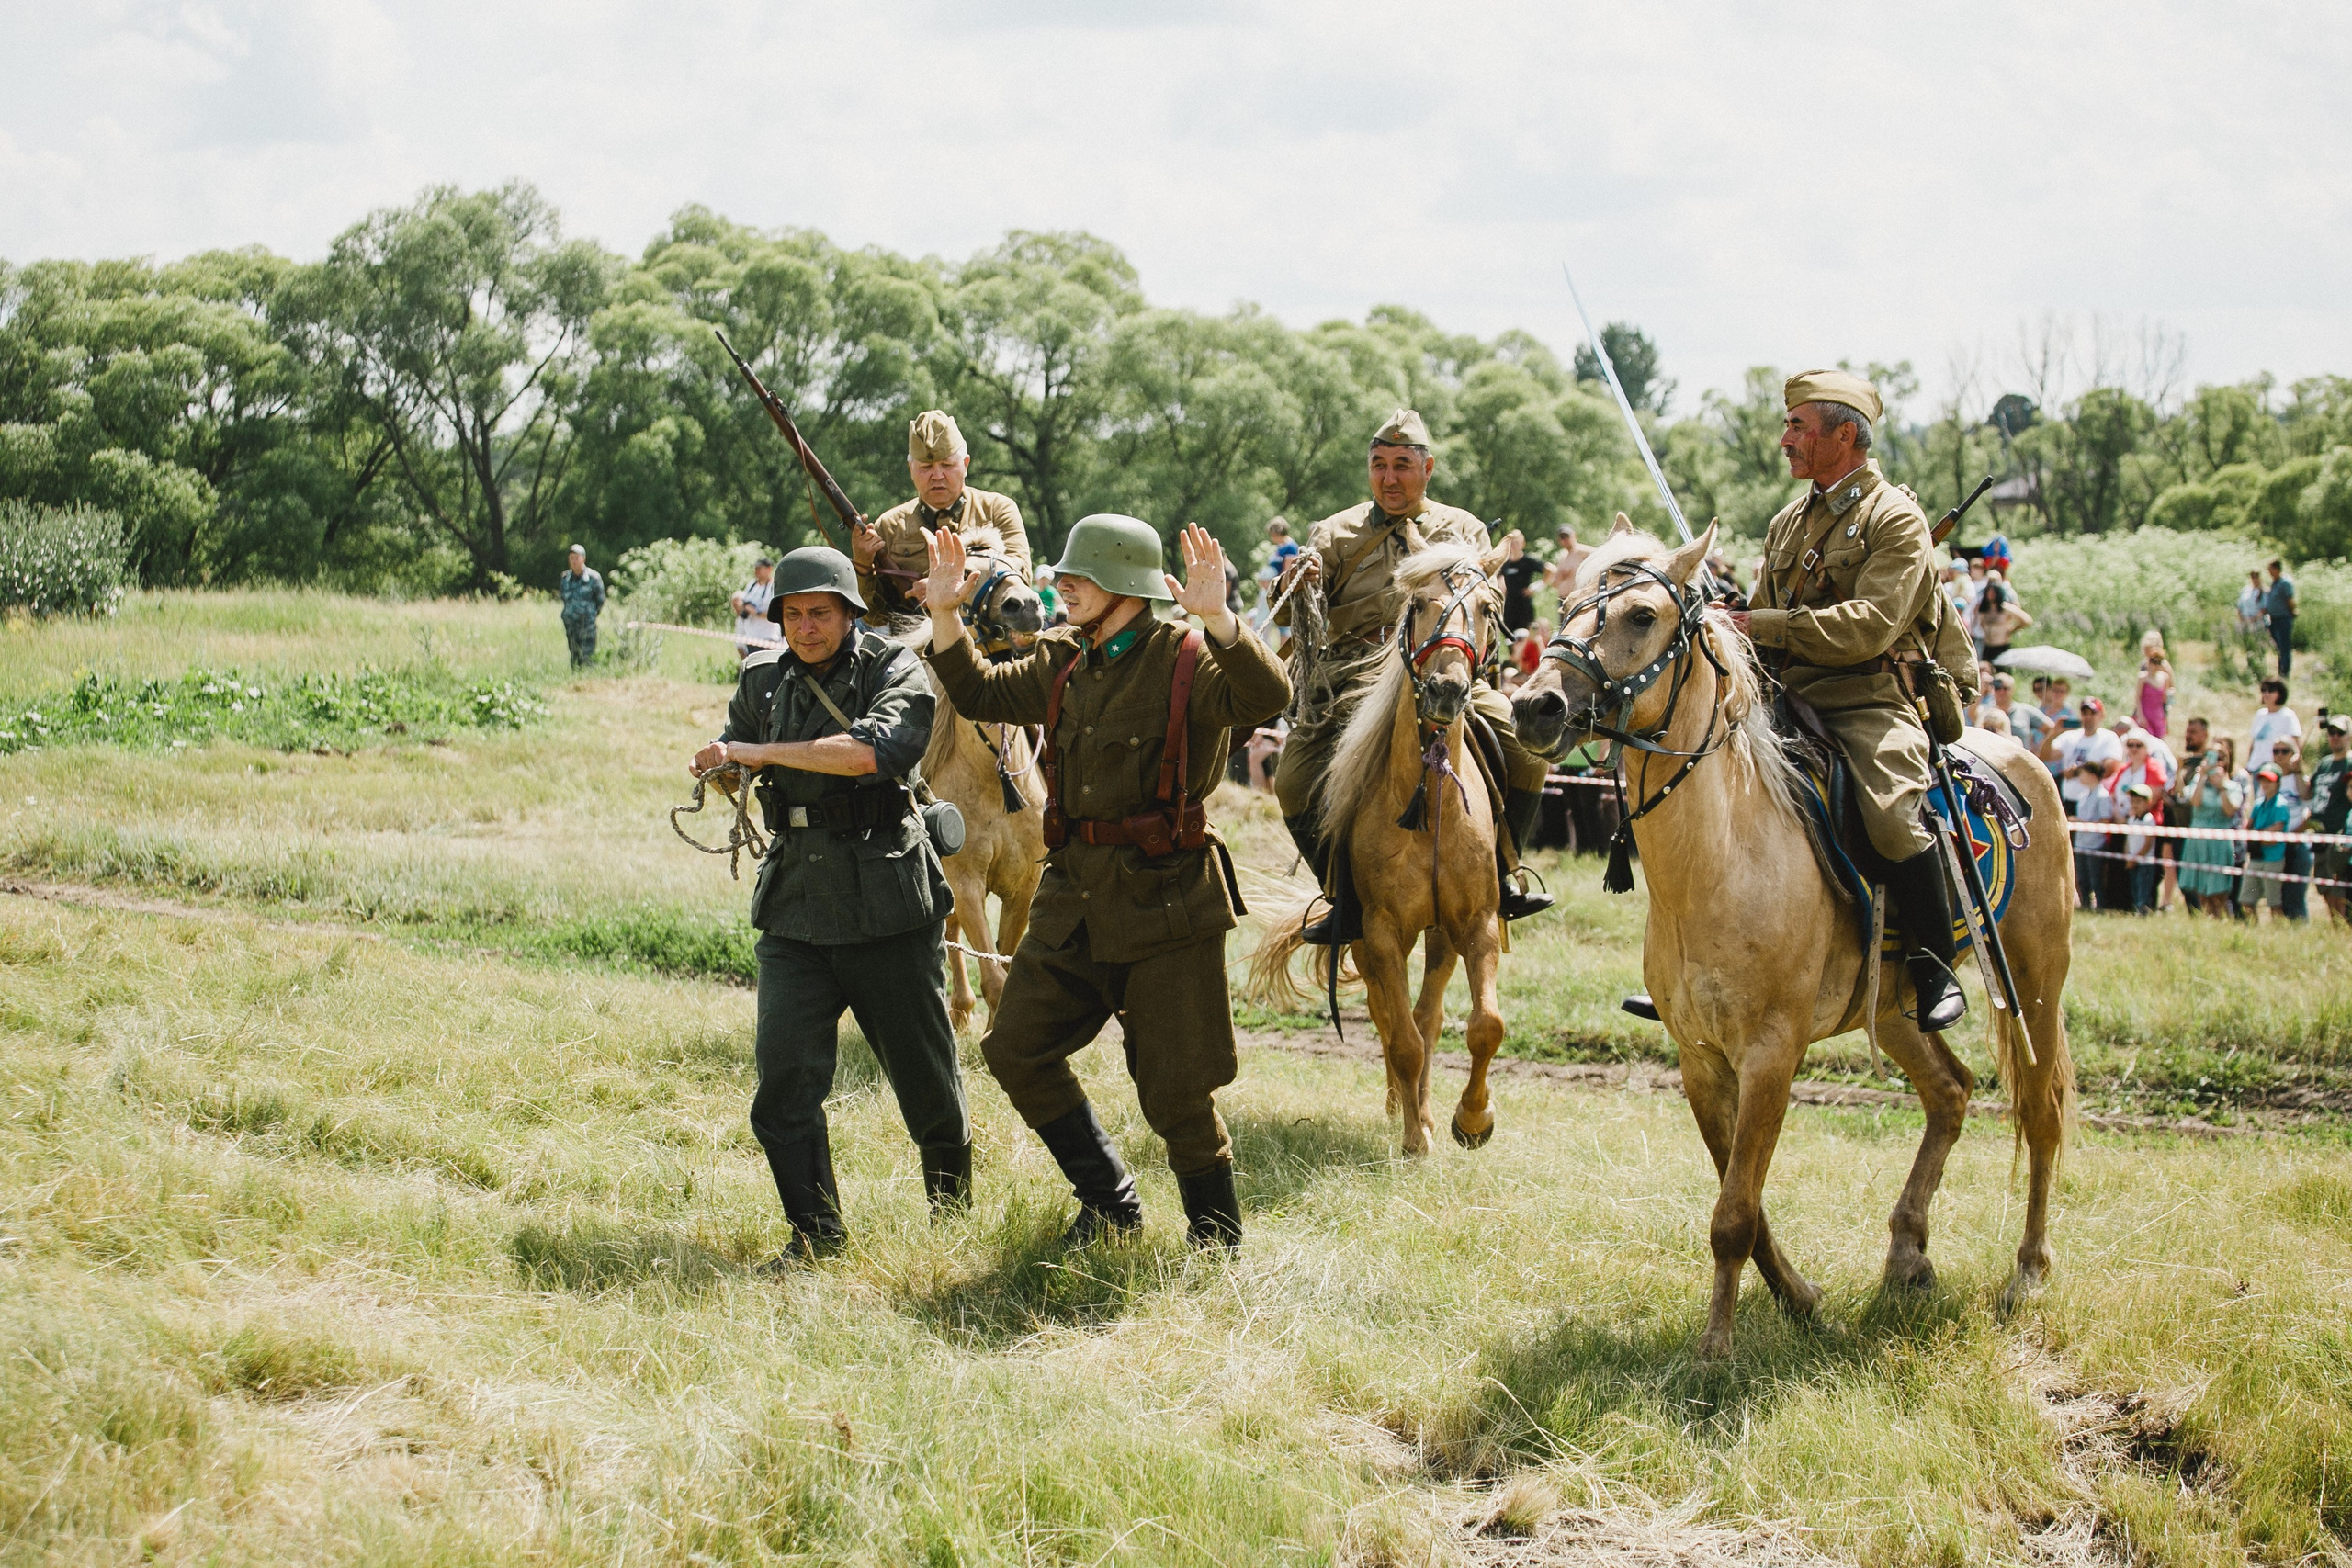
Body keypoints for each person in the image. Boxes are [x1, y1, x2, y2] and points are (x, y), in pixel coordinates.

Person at [922, 516, 1289, 1250]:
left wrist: (1219, 619)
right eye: (1064, 574)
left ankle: (1216, 1239)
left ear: (1124, 583)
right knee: (1015, 1047)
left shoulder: (1185, 657)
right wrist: (943, 615)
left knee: (1176, 1090)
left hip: (1167, 900)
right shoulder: (1062, 656)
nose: (1062, 586)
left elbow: (1267, 698)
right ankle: (1110, 1202)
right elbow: (980, 691)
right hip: (1075, 894)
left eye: (1078, 576)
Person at [690, 547, 967, 1263]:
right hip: (797, 905)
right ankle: (816, 1236)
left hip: (886, 902)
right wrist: (724, 768)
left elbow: (875, 752)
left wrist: (761, 752)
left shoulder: (893, 668)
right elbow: (747, 771)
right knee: (782, 1085)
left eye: (820, 612)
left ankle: (954, 1222)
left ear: (850, 612)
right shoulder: (762, 681)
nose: (805, 626)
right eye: (791, 613)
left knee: (927, 1083)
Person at [1729, 368, 1975, 1030]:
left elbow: (1871, 624)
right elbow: (1761, 617)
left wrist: (1767, 626)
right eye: (1787, 425)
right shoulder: (1787, 521)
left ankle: (1933, 962)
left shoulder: (1895, 518)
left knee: (1894, 817)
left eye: (1798, 427)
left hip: (1866, 696)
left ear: (1846, 435)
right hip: (1784, 692)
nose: (1785, 439)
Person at [1271, 409, 1554, 942]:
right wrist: (1295, 582)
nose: (1389, 477)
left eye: (1403, 464)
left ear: (1428, 469)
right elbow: (1288, 614)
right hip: (1353, 679)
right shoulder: (1334, 532)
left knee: (1523, 749)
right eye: (1379, 465)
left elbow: (1485, 600)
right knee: (1291, 782)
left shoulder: (1462, 528)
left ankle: (1503, 871)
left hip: (1442, 669)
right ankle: (1341, 895)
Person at [853, 411, 1031, 623]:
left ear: (965, 464)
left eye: (947, 465)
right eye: (926, 467)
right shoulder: (890, 526)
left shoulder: (997, 509)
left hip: (989, 647)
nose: (937, 475)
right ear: (911, 469)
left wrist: (944, 589)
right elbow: (875, 617)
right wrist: (862, 567)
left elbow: (1022, 577)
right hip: (915, 651)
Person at [2177, 738, 2243, 917]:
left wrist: (2221, 786)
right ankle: (2208, 918)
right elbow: (2195, 802)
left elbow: (2230, 810)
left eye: (2220, 758)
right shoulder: (2198, 782)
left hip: (2220, 840)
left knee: (2219, 890)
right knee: (2201, 889)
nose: (2216, 761)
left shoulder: (2233, 786)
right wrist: (2202, 776)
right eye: (2212, 757)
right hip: (2198, 837)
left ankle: (2220, 917)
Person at [2303, 713, 2352, 921]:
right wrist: (2297, 771)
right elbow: (2307, 793)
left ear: (2349, 735)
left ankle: (2342, 935)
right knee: (2325, 890)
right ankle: (2338, 932)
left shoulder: (2350, 764)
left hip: (2340, 838)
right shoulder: (2324, 764)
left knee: (2338, 893)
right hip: (2320, 838)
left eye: (2339, 732)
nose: (2334, 737)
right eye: (2331, 732)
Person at [2271, 736, 2312, 921]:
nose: (2280, 755)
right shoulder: (2270, 780)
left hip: (2298, 843)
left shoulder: (2301, 779)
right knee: (2278, 896)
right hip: (2275, 845)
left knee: (2295, 894)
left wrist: (2298, 772)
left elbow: (2310, 808)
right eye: (2276, 751)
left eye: (2285, 751)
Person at [2070, 761, 2120, 911]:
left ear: (2092, 776)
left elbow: (2105, 819)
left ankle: (2100, 906)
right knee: (2082, 878)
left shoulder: (2102, 796)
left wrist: (2083, 822)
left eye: (2083, 773)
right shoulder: (2083, 795)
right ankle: (2086, 906)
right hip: (2081, 843)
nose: (2080, 776)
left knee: (2096, 879)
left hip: (2095, 844)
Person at [2244, 768, 2290, 923]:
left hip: (2273, 858)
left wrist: (2256, 835)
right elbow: (2248, 828)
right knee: (2246, 900)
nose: (2265, 784)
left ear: (2277, 782)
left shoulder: (2281, 805)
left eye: (2269, 780)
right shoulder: (2258, 804)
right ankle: (2253, 931)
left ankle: (2279, 932)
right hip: (2256, 858)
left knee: (2274, 902)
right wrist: (2261, 834)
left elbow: (2275, 835)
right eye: (2262, 780)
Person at [559, 544, 605, 668]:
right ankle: (575, 682)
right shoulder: (565, 578)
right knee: (575, 655)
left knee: (588, 657)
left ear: (583, 559)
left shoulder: (594, 578)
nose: (574, 561)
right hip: (571, 626)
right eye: (571, 558)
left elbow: (600, 601)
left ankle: (588, 683)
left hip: (587, 626)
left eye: (577, 558)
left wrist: (590, 615)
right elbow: (563, 598)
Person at [1973, 572, 2033, 665]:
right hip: (1988, 646)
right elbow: (1980, 622)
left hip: (2001, 646)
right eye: (1989, 592)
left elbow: (2027, 620)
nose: (1991, 595)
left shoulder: (2005, 608)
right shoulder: (1985, 609)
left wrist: (2011, 630)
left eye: (1993, 592)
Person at [2122, 784, 2163, 914]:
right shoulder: (2132, 819)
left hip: (2145, 863)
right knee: (2134, 889)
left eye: (2138, 801)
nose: (2134, 804)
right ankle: (2136, 910)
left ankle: (2143, 911)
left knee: (2143, 890)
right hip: (2133, 861)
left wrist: (2136, 858)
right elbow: (2128, 841)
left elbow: (2148, 843)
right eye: (2133, 801)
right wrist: (2128, 857)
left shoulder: (2149, 820)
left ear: (2148, 803)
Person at [1497, 529, 1544, 637]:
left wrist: (1536, 587)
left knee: (1527, 636)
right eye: (1511, 543)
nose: (1514, 546)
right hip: (1509, 606)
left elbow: (1550, 570)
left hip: (1524, 606)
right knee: (1510, 638)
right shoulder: (1505, 563)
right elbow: (1498, 575)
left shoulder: (1528, 561)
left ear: (1523, 544)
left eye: (1517, 543)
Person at [731, 557, 776, 659]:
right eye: (755, 568)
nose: (756, 571)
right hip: (751, 636)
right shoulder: (752, 585)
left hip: (766, 637)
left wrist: (757, 612)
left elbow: (775, 612)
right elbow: (744, 601)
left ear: (769, 569)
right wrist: (741, 606)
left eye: (759, 568)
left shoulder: (773, 587)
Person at [2248, 678, 2301, 759]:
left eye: (2271, 690)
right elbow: (2253, 744)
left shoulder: (2288, 715)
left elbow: (2295, 743)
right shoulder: (2260, 714)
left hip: (2274, 766)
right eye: (2263, 690)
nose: (2266, 693)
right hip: (2254, 765)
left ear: (2280, 693)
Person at [2263, 558, 2299, 677]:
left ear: (2277, 569)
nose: (2269, 572)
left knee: (2284, 647)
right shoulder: (2275, 582)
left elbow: (2290, 600)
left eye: (2271, 569)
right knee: (2279, 647)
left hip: (2283, 618)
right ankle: (2281, 670)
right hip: (2274, 619)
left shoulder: (2285, 583)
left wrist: (2292, 612)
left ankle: (2284, 674)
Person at [2135, 631, 2173, 739]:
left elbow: (2169, 690)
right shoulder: (2143, 673)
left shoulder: (2164, 668)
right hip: (2145, 709)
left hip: (2158, 711)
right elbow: (2138, 696)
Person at [1547, 525, 1590, 600]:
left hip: (1578, 597)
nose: (1565, 539)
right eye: (1562, 537)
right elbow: (1554, 583)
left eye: (1567, 536)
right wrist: (1561, 576)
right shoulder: (1563, 556)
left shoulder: (1584, 551)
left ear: (1575, 535)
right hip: (1563, 598)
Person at [2236, 570, 2266, 636]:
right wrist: (2242, 619)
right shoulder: (2245, 590)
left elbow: (2264, 609)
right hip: (2244, 621)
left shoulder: (2264, 591)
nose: (2254, 579)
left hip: (2257, 623)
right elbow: (2239, 606)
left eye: (2256, 577)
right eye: (2253, 577)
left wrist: (2252, 619)